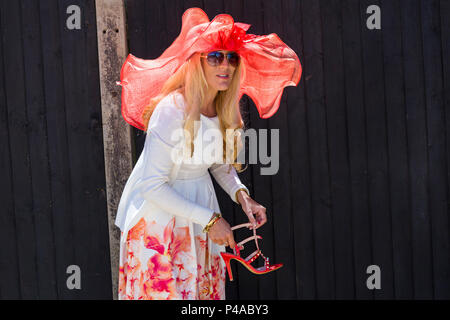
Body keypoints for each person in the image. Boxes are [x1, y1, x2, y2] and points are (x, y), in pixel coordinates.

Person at [115, 8, 301, 300]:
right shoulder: (171, 110)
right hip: (161, 222)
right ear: (196, 63)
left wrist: (242, 195)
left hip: (201, 211)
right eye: (215, 57)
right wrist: (212, 220)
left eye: (232, 57)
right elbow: (151, 185)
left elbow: (216, 162)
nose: (225, 65)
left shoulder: (224, 109)